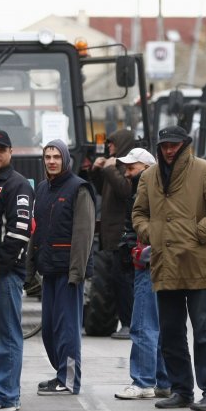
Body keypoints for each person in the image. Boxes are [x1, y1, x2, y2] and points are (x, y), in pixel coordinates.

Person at [132, 125, 206, 411]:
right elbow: (138, 212)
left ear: (184, 144)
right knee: (171, 332)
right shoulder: (148, 177)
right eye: (164, 145)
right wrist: (151, 233)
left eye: (174, 145)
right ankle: (181, 390)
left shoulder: (205, 171)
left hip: (198, 264)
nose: (168, 150)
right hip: (165, 265)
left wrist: (197, 233)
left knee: (205, 332)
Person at [28, 139, 95, 395]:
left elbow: (83, 235)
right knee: (50, 329)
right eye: (48, 157)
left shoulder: (80, 189)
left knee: (67, 330)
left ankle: (69, 380)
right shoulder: (43, 189)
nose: (52, 161)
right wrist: (30, 267)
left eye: (57, 156)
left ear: (66, 159)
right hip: (49, 269)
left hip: (69, 272)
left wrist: (77, 273)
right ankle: (60, 374)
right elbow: (37, 230)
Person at [0, 129, 34, 411]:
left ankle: (7, 395)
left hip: (5, 273)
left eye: (2, 149)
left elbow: (20, 232)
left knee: (4, 335)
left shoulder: (18, 185)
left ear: (11, 152)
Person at [112, 148, 172, 400]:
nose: (127, 173)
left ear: (146, 169)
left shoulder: (146, 194)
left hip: (148, 266)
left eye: (132, 168)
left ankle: (143, 381)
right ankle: (163, 381)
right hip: (155, 266)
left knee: (143, 325)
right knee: (156, 325)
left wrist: (136, 250)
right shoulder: (150, 191)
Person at [88, 128, 137, 339]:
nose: (109, 147)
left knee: (123, 279)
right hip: (110, 235)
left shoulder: (127, 169)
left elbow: (125, 191)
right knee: (114, 279)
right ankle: (122, 322)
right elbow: (102, 190)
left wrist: (109, 169)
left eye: (112, 143)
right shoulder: (113, 167)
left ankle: (128, 322)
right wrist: (96, 171)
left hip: (122, 235)